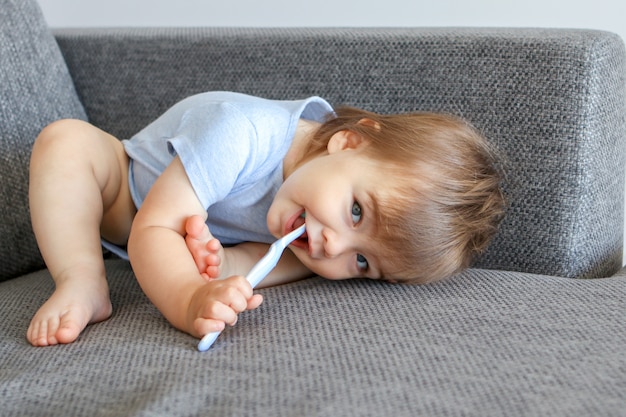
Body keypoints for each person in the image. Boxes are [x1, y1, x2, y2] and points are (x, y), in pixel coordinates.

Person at [26, 91, 504, 347]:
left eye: (363, 263)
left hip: (179, 239)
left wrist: (221, 282)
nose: (333, 247)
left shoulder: (316, 241)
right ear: (351, 142)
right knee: (66, 142)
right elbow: (154, 229)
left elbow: (242, 264)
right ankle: (82, 279)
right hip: (123, 196)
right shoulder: (241, 133)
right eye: (356, 211)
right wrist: (190, 297)